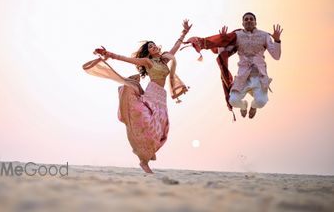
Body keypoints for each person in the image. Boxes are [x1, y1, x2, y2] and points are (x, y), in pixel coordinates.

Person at [83, 20, 192, 173]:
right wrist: (109, 54)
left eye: (153, 45)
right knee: (146, 122)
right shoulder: (147, 61)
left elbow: (175, 47)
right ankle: (143, 160)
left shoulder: (164, 59)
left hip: (162, 97)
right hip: (152, 93)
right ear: (148, 52)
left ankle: (145, 158)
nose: (152, 47)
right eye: (149, 47)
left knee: (160, 130)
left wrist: (184, 32)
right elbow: (127, 59)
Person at [185, 12, 283, 119]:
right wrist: (222, 41)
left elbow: (276, 56)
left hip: (259, 76)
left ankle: (253, 107)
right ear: (242, 23)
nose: (249, 21)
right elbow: (224, 52)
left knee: (261, 102)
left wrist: (277, 40)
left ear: (255, 22)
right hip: (243, 77)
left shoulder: (264, 36)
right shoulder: (237, 36)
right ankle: (243, 106)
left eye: (251, 19)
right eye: (246, 19)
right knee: (233, 101)